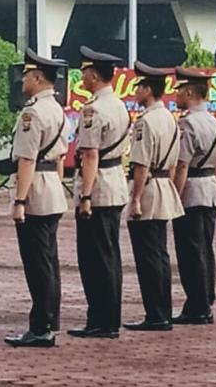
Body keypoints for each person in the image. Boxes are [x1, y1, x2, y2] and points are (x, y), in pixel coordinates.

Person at [4, 49, 69, 349]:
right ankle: (48, 319)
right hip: (52, 187)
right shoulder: (57, 109)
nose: (22, 81)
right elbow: (61, 156)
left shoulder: (32, 112)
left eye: (27, 76)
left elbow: (27, 160)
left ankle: (41, 326)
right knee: (48, 260)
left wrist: (20, 201)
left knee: (37, 262)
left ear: (38, 78)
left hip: (37, 192)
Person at [68, 46, 131, 340]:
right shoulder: (118, 105)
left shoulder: (93, 109)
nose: (81, 76)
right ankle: (109, 318)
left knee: (95, 259)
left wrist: (86, 196)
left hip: (99, 188)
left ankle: (101, 321)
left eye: (83, 71)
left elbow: (90, 155)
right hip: (114, 182)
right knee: (110, 256)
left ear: (93, 75)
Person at [124, 61, 184, 332]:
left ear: (147, 89)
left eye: (138, 87)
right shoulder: (170, 119)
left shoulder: (146, 122)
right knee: (160, 254)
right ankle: (164, 312)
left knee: (148, 256)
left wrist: (135, 198)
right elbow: (173, 163)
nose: (136, 91)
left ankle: (155, 314)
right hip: (164, 186)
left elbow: (140, 165)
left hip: (148, 188)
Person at [172, 66, 216, 325]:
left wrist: (175, 196)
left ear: (190, 91)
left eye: (179, 90)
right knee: (205, 248)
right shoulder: (215, 121)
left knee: (190, 252)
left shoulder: (187, 123)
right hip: (210, 188)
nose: (176, 95)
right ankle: (205, 299)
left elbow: (182, 165)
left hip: (192, 189)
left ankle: (197, 305)